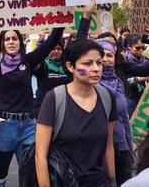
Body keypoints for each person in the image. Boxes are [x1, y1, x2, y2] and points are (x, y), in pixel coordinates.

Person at [0, 0, 64, 187]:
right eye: (7, 39)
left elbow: (53, 39)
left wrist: (59, 9)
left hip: (28, 126)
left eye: (14, 38)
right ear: (1, 43)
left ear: (20, 42)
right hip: (3, 126)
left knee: (29, 177)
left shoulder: (28, 61)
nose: (11, 42)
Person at [35, 39, 117, 187]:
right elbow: (40, 154)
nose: (96, 68)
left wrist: (112, 181)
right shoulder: (55, 99)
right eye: (87, 63)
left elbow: (108, 146)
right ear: (70, 66)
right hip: (65, 181)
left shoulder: (107, 98)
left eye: (99, 63)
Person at [96, 39, 134, 186]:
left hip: (121, 144)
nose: (105, 59)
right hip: (99, 149)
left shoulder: (118, 83)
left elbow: (124, 119)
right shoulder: (90, 84)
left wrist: (129, 150)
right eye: (101, 55)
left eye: (109, 55)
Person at [122, 34, 149, 117]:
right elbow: (123, 81)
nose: (141, 50)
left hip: (143, 98)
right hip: (129, 98)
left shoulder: (146, 60)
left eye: (143, 48)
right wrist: (141, 79)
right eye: (137, 48)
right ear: (129, 46)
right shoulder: (122, 61)